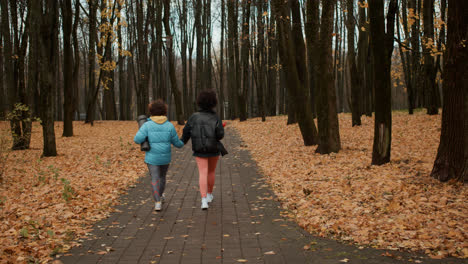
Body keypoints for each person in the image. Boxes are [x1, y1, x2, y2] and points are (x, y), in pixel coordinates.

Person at [134, 100, 184, 211]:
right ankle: (161, 195)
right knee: (162, 177)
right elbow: (177, 143)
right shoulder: (169, 126)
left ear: (151, 112)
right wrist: (183, 141)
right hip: (165, 158)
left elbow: (137, 139)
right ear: (164, 112)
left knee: (155, 178)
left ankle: (157, 202)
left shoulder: (147, 125)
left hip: (152, 157)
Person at [181, 90, 225, 210]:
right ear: (213, 102)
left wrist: (181, 142)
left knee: (202, 172)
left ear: (199, 102)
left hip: (199, 149)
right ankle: (210, 194)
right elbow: (220, 135)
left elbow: (186, 132)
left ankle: (203, 200)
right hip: (214, 148)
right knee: (211, 172)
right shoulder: (216, 117)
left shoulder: (193, 117)